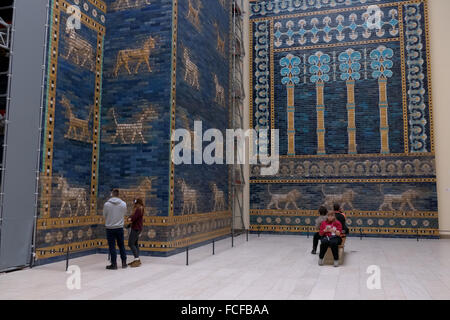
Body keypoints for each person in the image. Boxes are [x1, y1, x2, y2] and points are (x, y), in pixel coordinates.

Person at [103, 189, 128, 270]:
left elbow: (104, 215)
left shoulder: (106, 204)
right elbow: (124, 213)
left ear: (112, 194)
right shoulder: (123, 204)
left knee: (112, 246)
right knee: (121, 245)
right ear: (118, 194)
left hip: (110, 228)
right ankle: (124, 263)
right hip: (120, 227)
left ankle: (114, 264)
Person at [127, 198, 144, 268]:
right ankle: (137, 259)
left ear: (138, 203)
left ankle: (137, 259)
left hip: (136, 229)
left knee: (130, 243)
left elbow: (134, 218)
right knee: (135, 244)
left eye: (135, 203)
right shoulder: (140, 208)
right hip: (137, 228)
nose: (134, 204)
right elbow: (134, 216)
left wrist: (129, 218)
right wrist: (131, 217)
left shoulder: (139, 209)